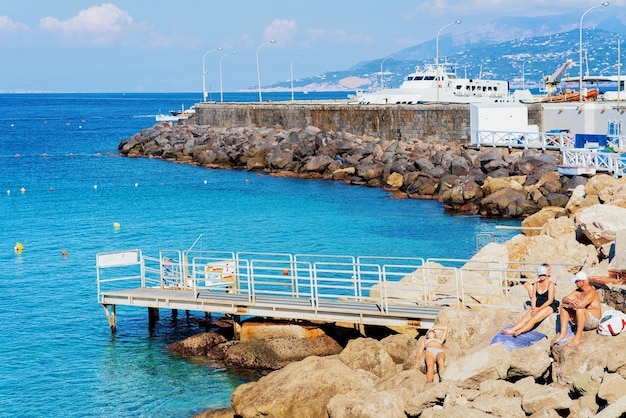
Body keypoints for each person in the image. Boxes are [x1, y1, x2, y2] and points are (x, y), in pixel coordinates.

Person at [503, 265, 558, 337]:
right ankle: (512, 330)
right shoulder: (536, 284)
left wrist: (538, 309)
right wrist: (533, 307)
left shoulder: (551, 284)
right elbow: (534, 297)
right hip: (538, 304)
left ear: (546, 274)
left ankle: (520, 331)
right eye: (540, 275)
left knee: (534, 319)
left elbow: (550, 300)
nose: (542, 276)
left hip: (548, 305)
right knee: (525, 318)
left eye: (543, 274)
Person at [551, 272, 602, 347]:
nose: (575, 283)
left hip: (593, 321)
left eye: (576, 281)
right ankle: (563, 334)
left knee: (580, 309)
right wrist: (570, 301)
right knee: (563, 307)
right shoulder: (578, 291)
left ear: (583, 281)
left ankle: (578, 337)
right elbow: (564, 299)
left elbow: (580, 305)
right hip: (582, 319)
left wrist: (569, 306)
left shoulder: (591, 292)